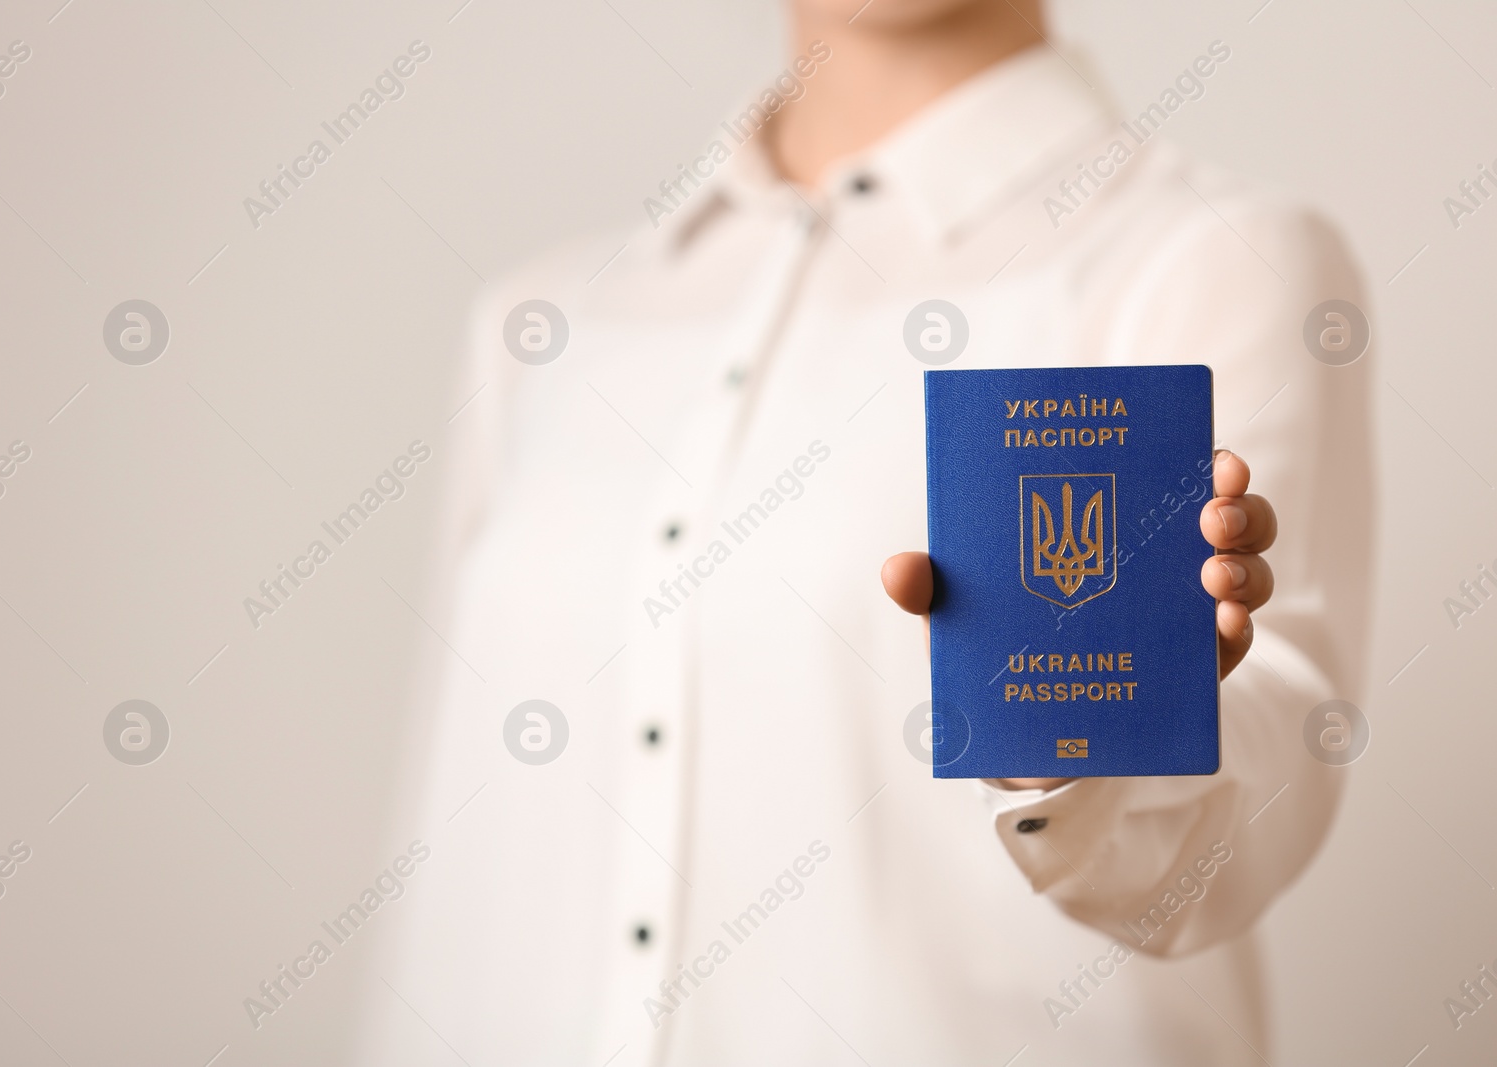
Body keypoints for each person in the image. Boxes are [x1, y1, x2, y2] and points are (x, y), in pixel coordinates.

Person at [360, 0, 1372, 1063]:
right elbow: (453, 840)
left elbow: (1254, 802)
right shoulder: (544, 322)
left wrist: (1083, 747)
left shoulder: (1200, 255)